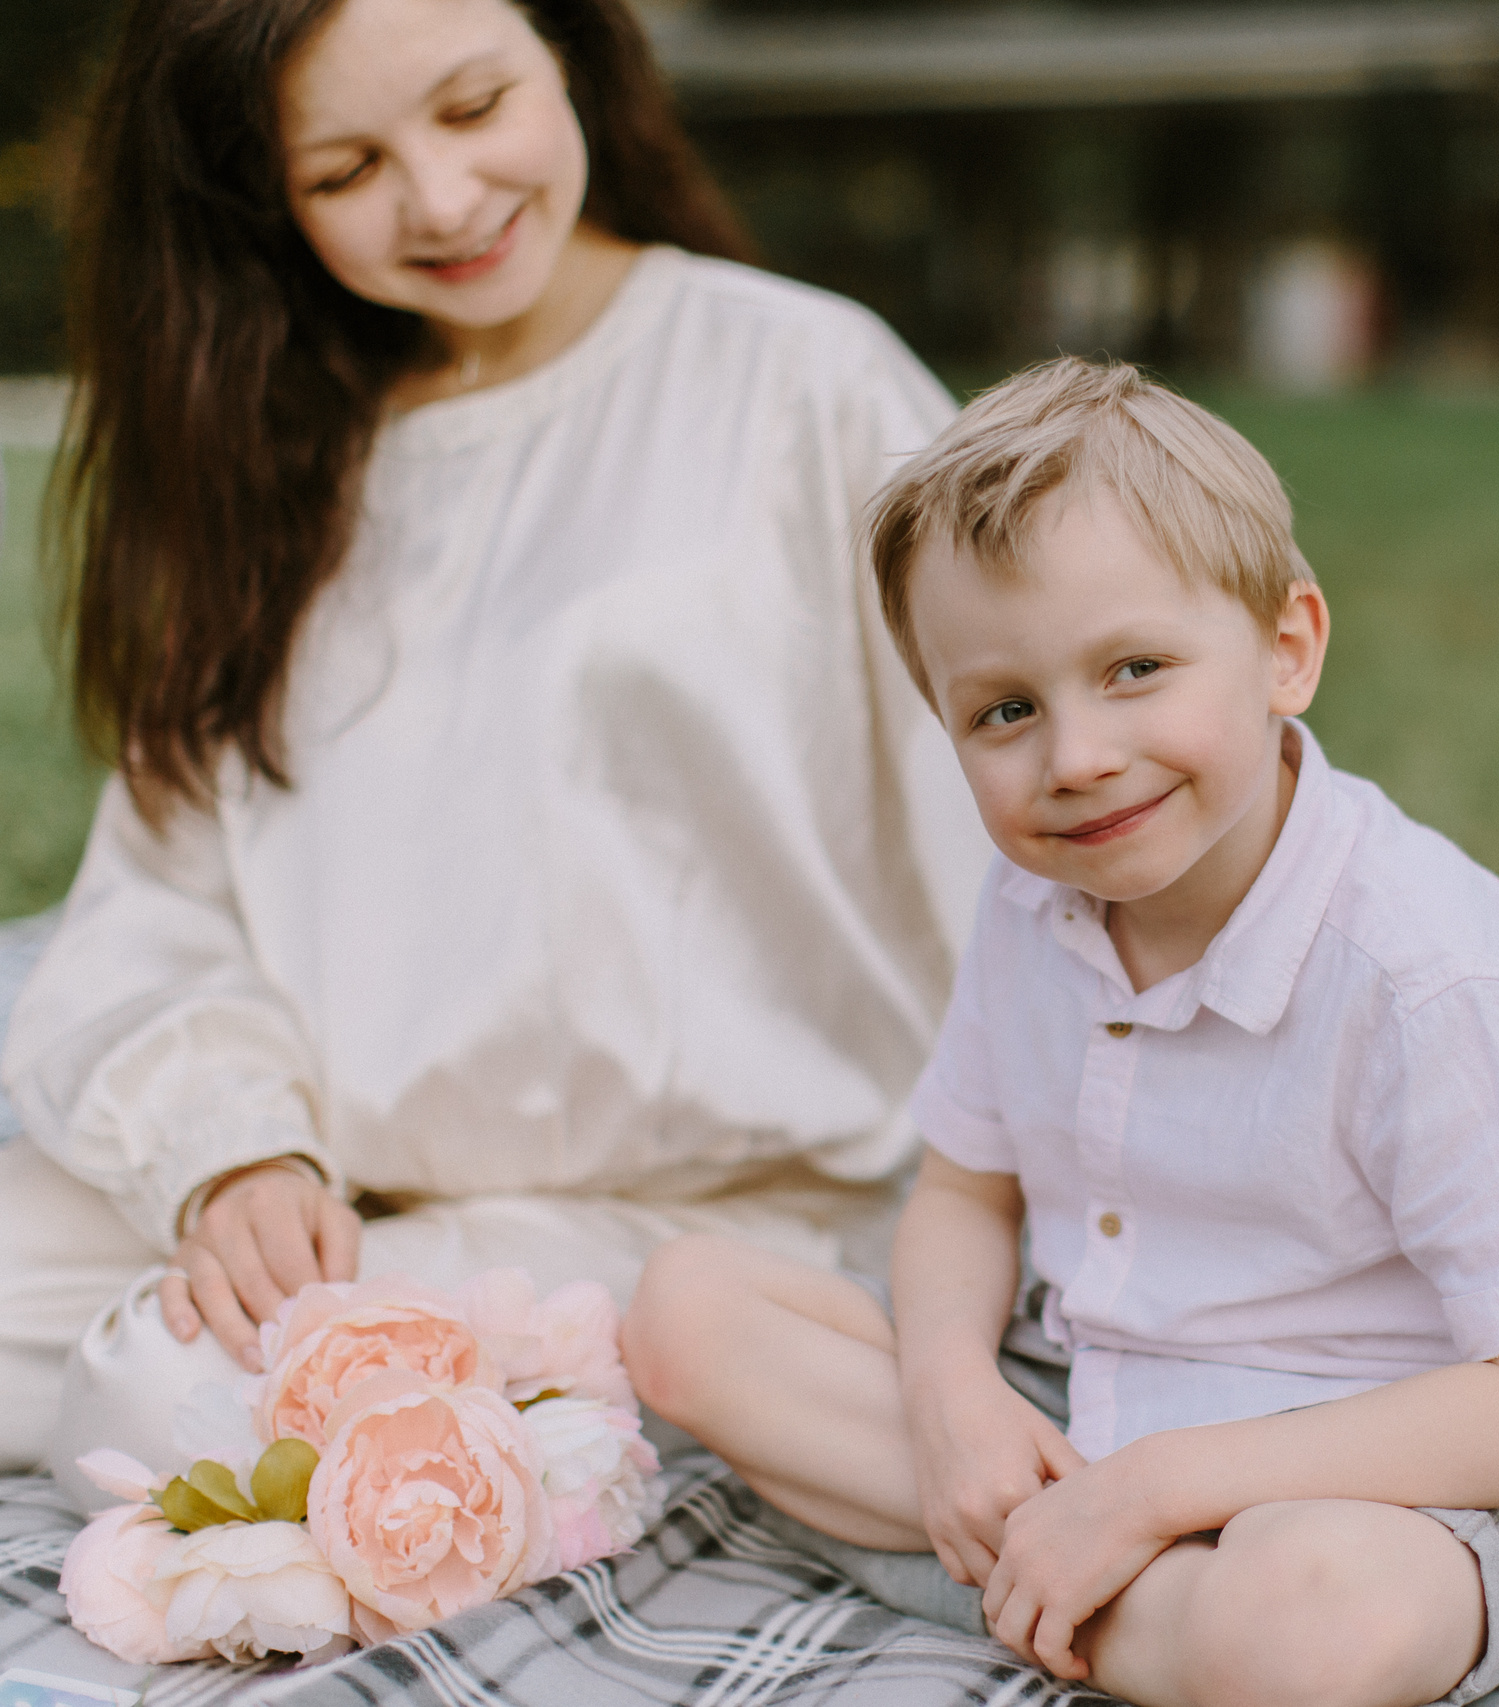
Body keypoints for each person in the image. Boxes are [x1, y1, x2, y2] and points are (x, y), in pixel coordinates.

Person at [0, 0, 983, 1488]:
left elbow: (1017, 816)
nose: (444, 200)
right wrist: (236, 1154)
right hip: (318, 1176)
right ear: (264, 199)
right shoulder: (269, 444)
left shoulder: (807, 384)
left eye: (473, 108)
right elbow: (162, 902)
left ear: (569, 53)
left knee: (163, 1397)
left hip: (702, 1216)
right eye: (346, 171)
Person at [624, 358, 1499, 1707]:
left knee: (1312, 1626)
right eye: (1006, 710)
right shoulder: (1034, 899)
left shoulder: (1432, 976)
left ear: (1287, 649)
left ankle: (1042, 1576)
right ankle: (1084, 1576)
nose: (1077, 758)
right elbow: (964, 1194)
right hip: (1076, 1391)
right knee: (681, 1314)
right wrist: (952, 1400)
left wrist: (1158, 1489)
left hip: (1368, 1469)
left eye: (1136, 670)